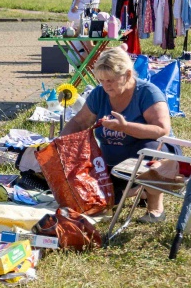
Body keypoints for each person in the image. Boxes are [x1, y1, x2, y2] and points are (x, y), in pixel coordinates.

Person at [61, 48, 173, 223]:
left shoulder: (148, 93)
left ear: (127, 75)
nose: (106, 85)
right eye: (102, 80)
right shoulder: (99, 94)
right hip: (115, 161)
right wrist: (60, 142)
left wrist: (125, 127)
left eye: (111, 80)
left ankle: (156, 207)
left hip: (152, 153)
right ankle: (138, 189)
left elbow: (161, 130)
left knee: (150, 151)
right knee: (102, 200)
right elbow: (80, 122)